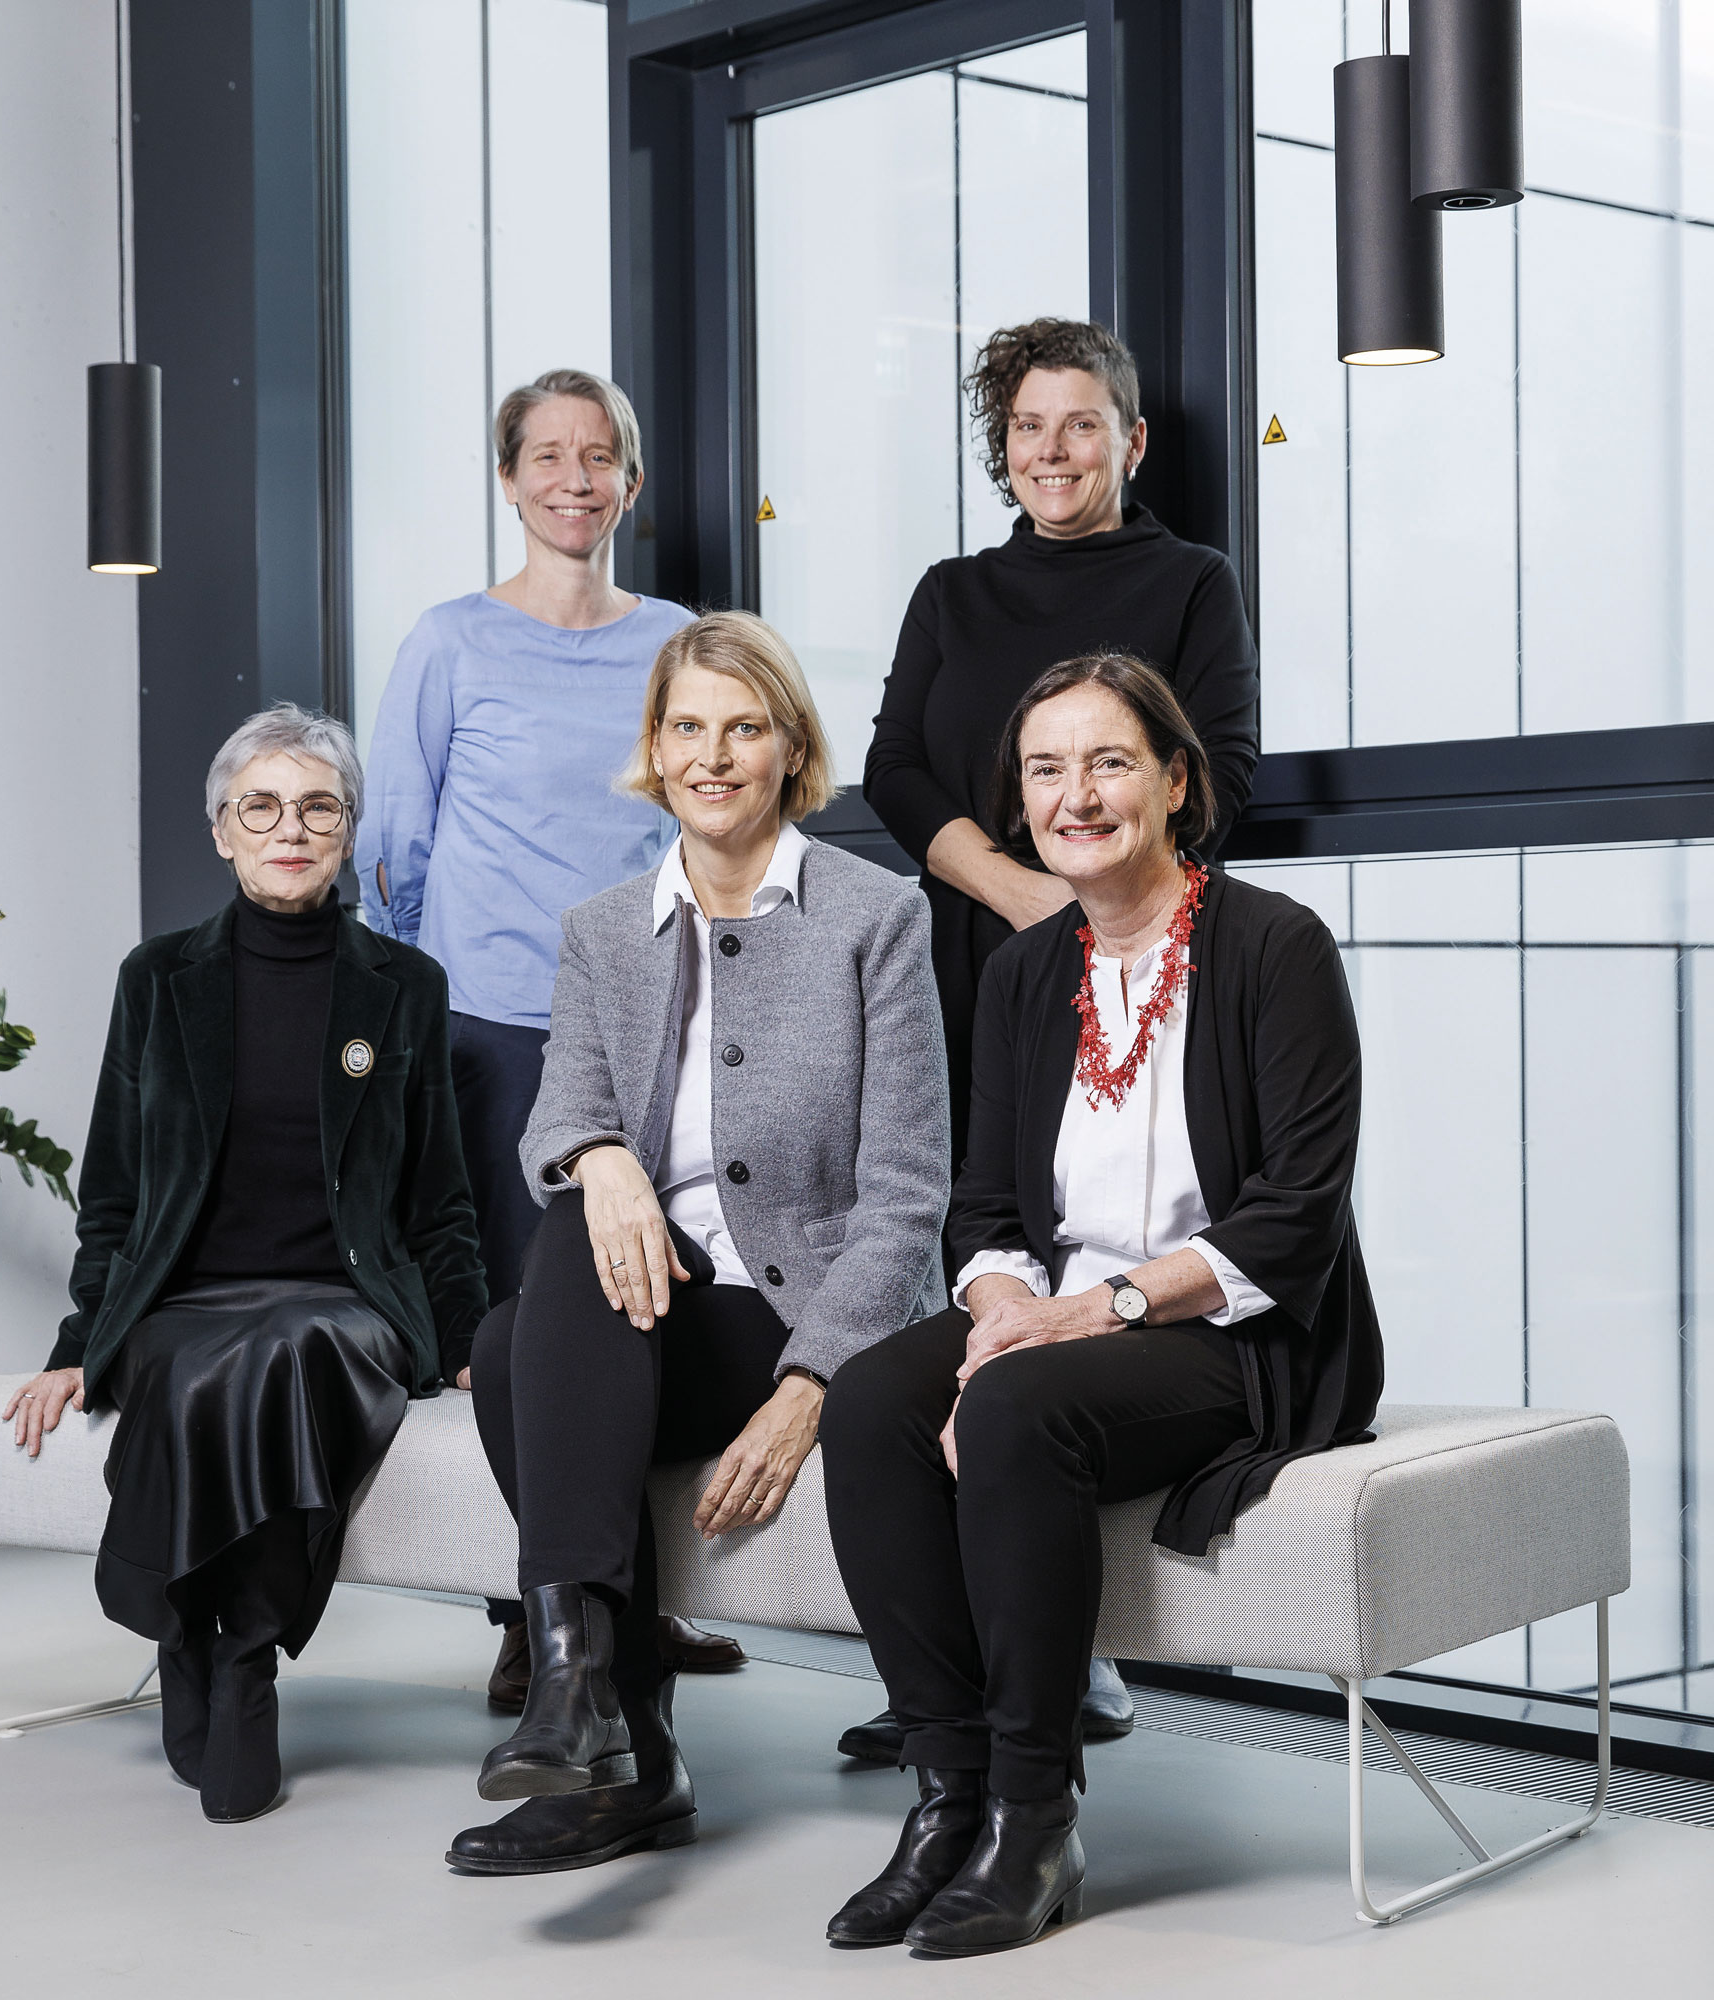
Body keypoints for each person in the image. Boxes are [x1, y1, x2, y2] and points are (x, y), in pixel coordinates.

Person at [818, 654, 1382, 1955]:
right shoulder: (1025, 975)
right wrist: (1008, 1309)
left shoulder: (1274, 948)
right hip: (1056, 1320)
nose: (1078, 794)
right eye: (1047, 768)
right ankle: (948, 1793)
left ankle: (1036, 1812)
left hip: (1232, 1329)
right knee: (869, 1403)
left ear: (1178, 783)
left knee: (1013, 1405)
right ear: (1020, 804)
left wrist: (1079, 1320)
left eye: (1111, 761)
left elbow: (1295, 1214)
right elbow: (985, 1210)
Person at [447, 612, 949, 1876]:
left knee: (515, 1348)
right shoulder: (603, 927)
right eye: (686, 728)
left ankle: (607, 1726)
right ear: (653, 750)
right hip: (643, 1298)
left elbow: (904, 1197)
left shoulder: (873, 916)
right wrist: (604, 1159)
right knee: (568, 1230)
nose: (712, 755)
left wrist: (809, 1382)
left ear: (789, 749)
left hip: (794, 1312)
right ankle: (588, 1701)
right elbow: (560, 1115)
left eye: (743, 727)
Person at [848, 314, 1264, 1763]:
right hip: (983, 960)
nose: (1053, 451)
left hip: (1138, 956)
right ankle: (951, 1667)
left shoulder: (1189, 582)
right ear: (1001, 449)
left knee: (1102, 1251)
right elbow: (894, 769)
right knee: (977, 1254)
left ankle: (1056, 1656)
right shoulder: (953, 593)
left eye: (1081, 424)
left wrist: (1091, 901)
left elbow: (1226, 776)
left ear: (1132, 441)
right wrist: (1024, 892)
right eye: (1027, 428)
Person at [4, 704, 487, 1823]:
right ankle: (193, 1632)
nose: (289, 826)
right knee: (192, 1360)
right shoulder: (158, 977)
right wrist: (82, 1344)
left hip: (344, 1301)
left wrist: (466, 1339)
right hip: (187, 1297)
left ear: (348, 831)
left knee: (284, 1347)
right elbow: (115, 1193)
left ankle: (241, 1658)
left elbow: (440, 1202)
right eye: (259, 805)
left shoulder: (402, 986)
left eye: (318, 804)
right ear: (222, 831)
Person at [357, 367, 742, 1694]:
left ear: (631, 484)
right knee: (528, 1336)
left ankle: (637, 1594)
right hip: (493, 1031)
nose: (575, 478)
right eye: (548, 456)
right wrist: (415, 1019)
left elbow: (714, 815)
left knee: (655, 1307)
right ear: (510, 478)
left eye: (601, 457)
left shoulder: (681, 642)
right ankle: (541, 1615)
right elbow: (396, 843)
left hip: (652, 1020)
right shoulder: (449, 643)